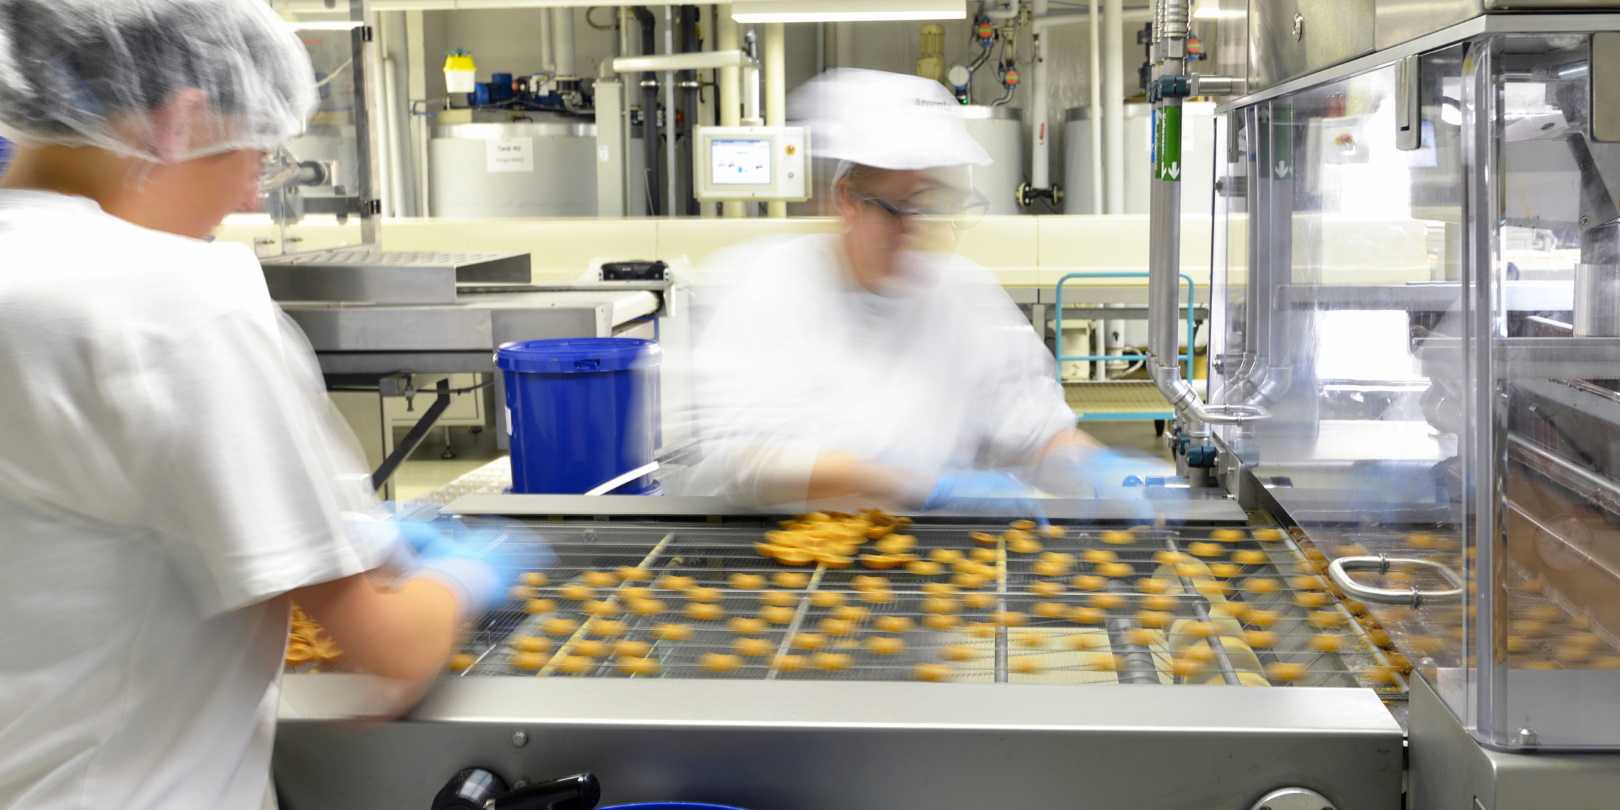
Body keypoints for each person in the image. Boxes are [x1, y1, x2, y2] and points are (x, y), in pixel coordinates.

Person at [0, 2, 546, 806]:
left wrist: (317, 540)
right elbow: (388, 654)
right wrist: (467, 578)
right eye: (257, 153)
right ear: (179, 123)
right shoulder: (177, 299)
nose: (253, 192)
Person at [684, 69, 1171, 515]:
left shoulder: (964, 295)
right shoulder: (769, 285)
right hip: (786, 567)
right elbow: (749, 457)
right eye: (897, 208)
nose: (915, 229)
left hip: (924, 569)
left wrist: (1096, 466)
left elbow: (1031, 427)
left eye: (931, 205)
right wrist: (916, 484)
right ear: (847, 200)